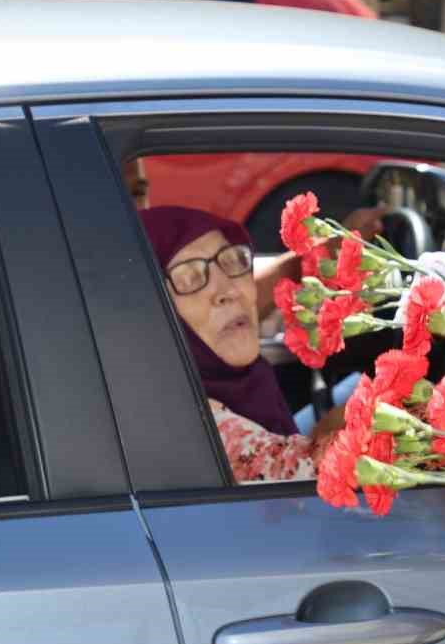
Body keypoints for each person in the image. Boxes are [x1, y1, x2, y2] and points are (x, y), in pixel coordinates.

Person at [141, 204, 365, 482]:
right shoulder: (183, 421)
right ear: (149, 311)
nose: (230, 290)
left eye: (234, 261)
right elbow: (312, 477)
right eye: (190, 277)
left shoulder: (238, 382)